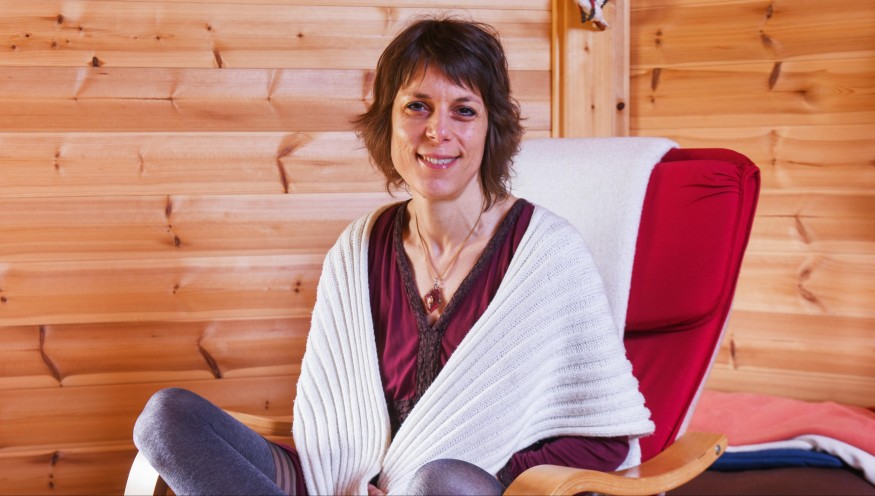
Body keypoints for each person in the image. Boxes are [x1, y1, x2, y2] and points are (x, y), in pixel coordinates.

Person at [133, 17, 653, 496]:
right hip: (345, 482)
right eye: (417, 106)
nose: (437, 131)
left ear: (491, 129)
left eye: (464, 110)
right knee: (165, 419)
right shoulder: (357, 248)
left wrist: (476, 478)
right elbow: (331, 422)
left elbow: (603, 440)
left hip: (463, 489)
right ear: (388, 121)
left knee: (438, 482)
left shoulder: (548, 254)